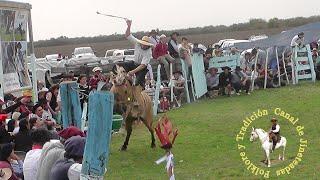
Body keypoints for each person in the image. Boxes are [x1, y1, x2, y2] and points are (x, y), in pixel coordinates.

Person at [117, 19, 154, 89]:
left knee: (138, 83)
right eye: (143, 44)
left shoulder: (148, 52)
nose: (144, 45)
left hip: (141, 68)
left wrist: (133, 72)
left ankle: (140, 91)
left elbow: (143, 65)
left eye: (145, 44)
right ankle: (119, 79)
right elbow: (128, 35)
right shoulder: (137, 43)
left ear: (148, 45)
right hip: (134, 63)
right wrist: (129, 26)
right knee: (118, 64)